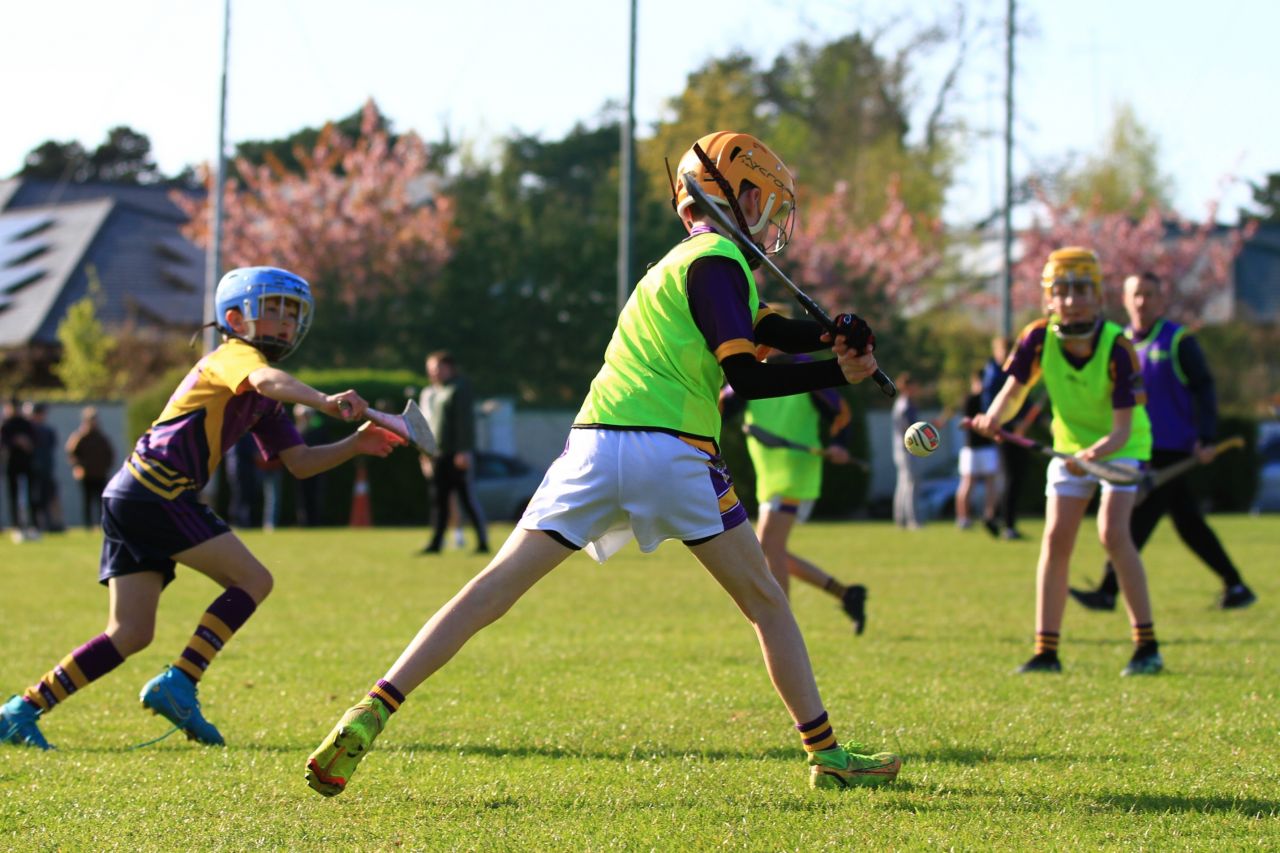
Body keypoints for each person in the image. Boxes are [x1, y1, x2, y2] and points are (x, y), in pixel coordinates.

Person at [306, 130, 900, 797]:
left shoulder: (681, 266)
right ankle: (826, 754)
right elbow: (748, 375)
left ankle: (373, 707)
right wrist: (836, 371)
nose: (770, 217)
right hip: (676, 452)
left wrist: (831, 334)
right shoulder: (720, 261)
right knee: (766, 600)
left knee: (490, 589)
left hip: (590, 448)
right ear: (737, 194)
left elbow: (762, 330)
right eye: (764, 199)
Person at [0, 266, 403, 751]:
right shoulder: (236, 356)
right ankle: (181, 682)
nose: (284, 323)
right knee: (254, 580)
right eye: (273, 310)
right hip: (158, 491)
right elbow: (267, 378)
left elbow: (298, 463)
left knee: (129, 632)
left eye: (292, 314)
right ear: (235, 317)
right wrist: (322, 400)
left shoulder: (265, 399)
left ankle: (21, 710)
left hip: (136, 493)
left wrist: (355, 445)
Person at [971, 247, 1162, 677]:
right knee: (1056, 540)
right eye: (1062, 290)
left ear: (1097, 295)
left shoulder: (1118, 346)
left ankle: (1146, 646)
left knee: (1113, 534)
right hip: (1069, 447)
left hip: (1123, 446)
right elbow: (1015, 390)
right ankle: (1046, 651)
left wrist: (1090, 458)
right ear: (1048, 298)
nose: (1072, 299)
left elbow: (1121, 428)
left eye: (1080, 290)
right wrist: (993, 418)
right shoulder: (1037, 337)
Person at [1070, 272, 1256, 611]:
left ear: (1161, 299)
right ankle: (1236, 586)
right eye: (1136, 294)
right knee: (1187, 521)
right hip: (1133, 447)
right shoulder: (1117, 342)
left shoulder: (1177, 341)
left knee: (1137, 519)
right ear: (1124, 300)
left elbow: (1204, 389)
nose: (1142, 301)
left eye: (1150, 294)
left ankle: (1107, 590)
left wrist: (1206, 436)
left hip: (1170, 448)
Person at [721, 349, 869, 634]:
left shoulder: (803, 368)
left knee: (767, 547)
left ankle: (781, 627)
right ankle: (846, 593)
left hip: (797, 471)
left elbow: (841, 411)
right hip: (770, 474)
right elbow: (720, 406)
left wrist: (839, 443)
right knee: (770, 551)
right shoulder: (748, 371)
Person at [418, 351, 489, 554]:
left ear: (449, 368)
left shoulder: (459, 388)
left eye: (437, 369)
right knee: (439, 500)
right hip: (439, 454)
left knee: (467, 499)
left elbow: (464, 423)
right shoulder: (435, 392)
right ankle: (436, 543)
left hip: (457, 454)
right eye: (431, 370)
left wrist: (464, 450)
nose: (433, 374)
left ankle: (482, 542)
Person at [956, 371, 999, 532]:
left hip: (987, 448)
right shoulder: (970, 400)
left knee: (991, 483)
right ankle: (963, 518)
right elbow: (968, 423)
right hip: (971, 449)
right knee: (968, 483)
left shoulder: (989, 399)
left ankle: (989, 516)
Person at [66, 406, 115, 529]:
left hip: (100, 473)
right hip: (86, 473)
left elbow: (109, 453)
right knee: (87, 500)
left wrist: (106, 467)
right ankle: (87, 524)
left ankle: (101, 523)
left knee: (100, 501)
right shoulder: (80, 437)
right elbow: (72, 453)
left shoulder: (101, 437)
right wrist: (78, 467)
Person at [891, 372, 924, 529]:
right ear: (908, 387)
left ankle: (900, 519)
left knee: (903, 484)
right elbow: (909, 429)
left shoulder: (902, 403)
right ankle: (912, 520)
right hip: (907, 450)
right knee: (911, 484)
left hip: (900, 450)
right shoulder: (906, 405)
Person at [1, 399, 36, 539]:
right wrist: (16, 441)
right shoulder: (6, 424)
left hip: (26, 463)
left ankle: (33, 524)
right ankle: (16, 525)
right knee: (13, 495)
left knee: (31, 494)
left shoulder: (26, 424)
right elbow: (3, 442)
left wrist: (27, 443)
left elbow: (35, 441)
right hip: (11, 464)